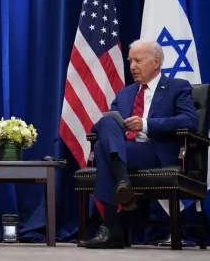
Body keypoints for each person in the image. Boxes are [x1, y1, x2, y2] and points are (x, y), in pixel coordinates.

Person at [79, 40, 198, 249]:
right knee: (105, 131)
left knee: (102, 149)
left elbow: (189, 120)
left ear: (156, 62)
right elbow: (99, 128)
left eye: (138, 60)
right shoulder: (124, 93)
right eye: (130, 61)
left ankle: (112, 227)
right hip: (128, 150)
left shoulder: (177, 87)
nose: (132, 66)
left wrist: (145, 125)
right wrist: (113, 127)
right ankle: (122, 187)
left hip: (155, 151)